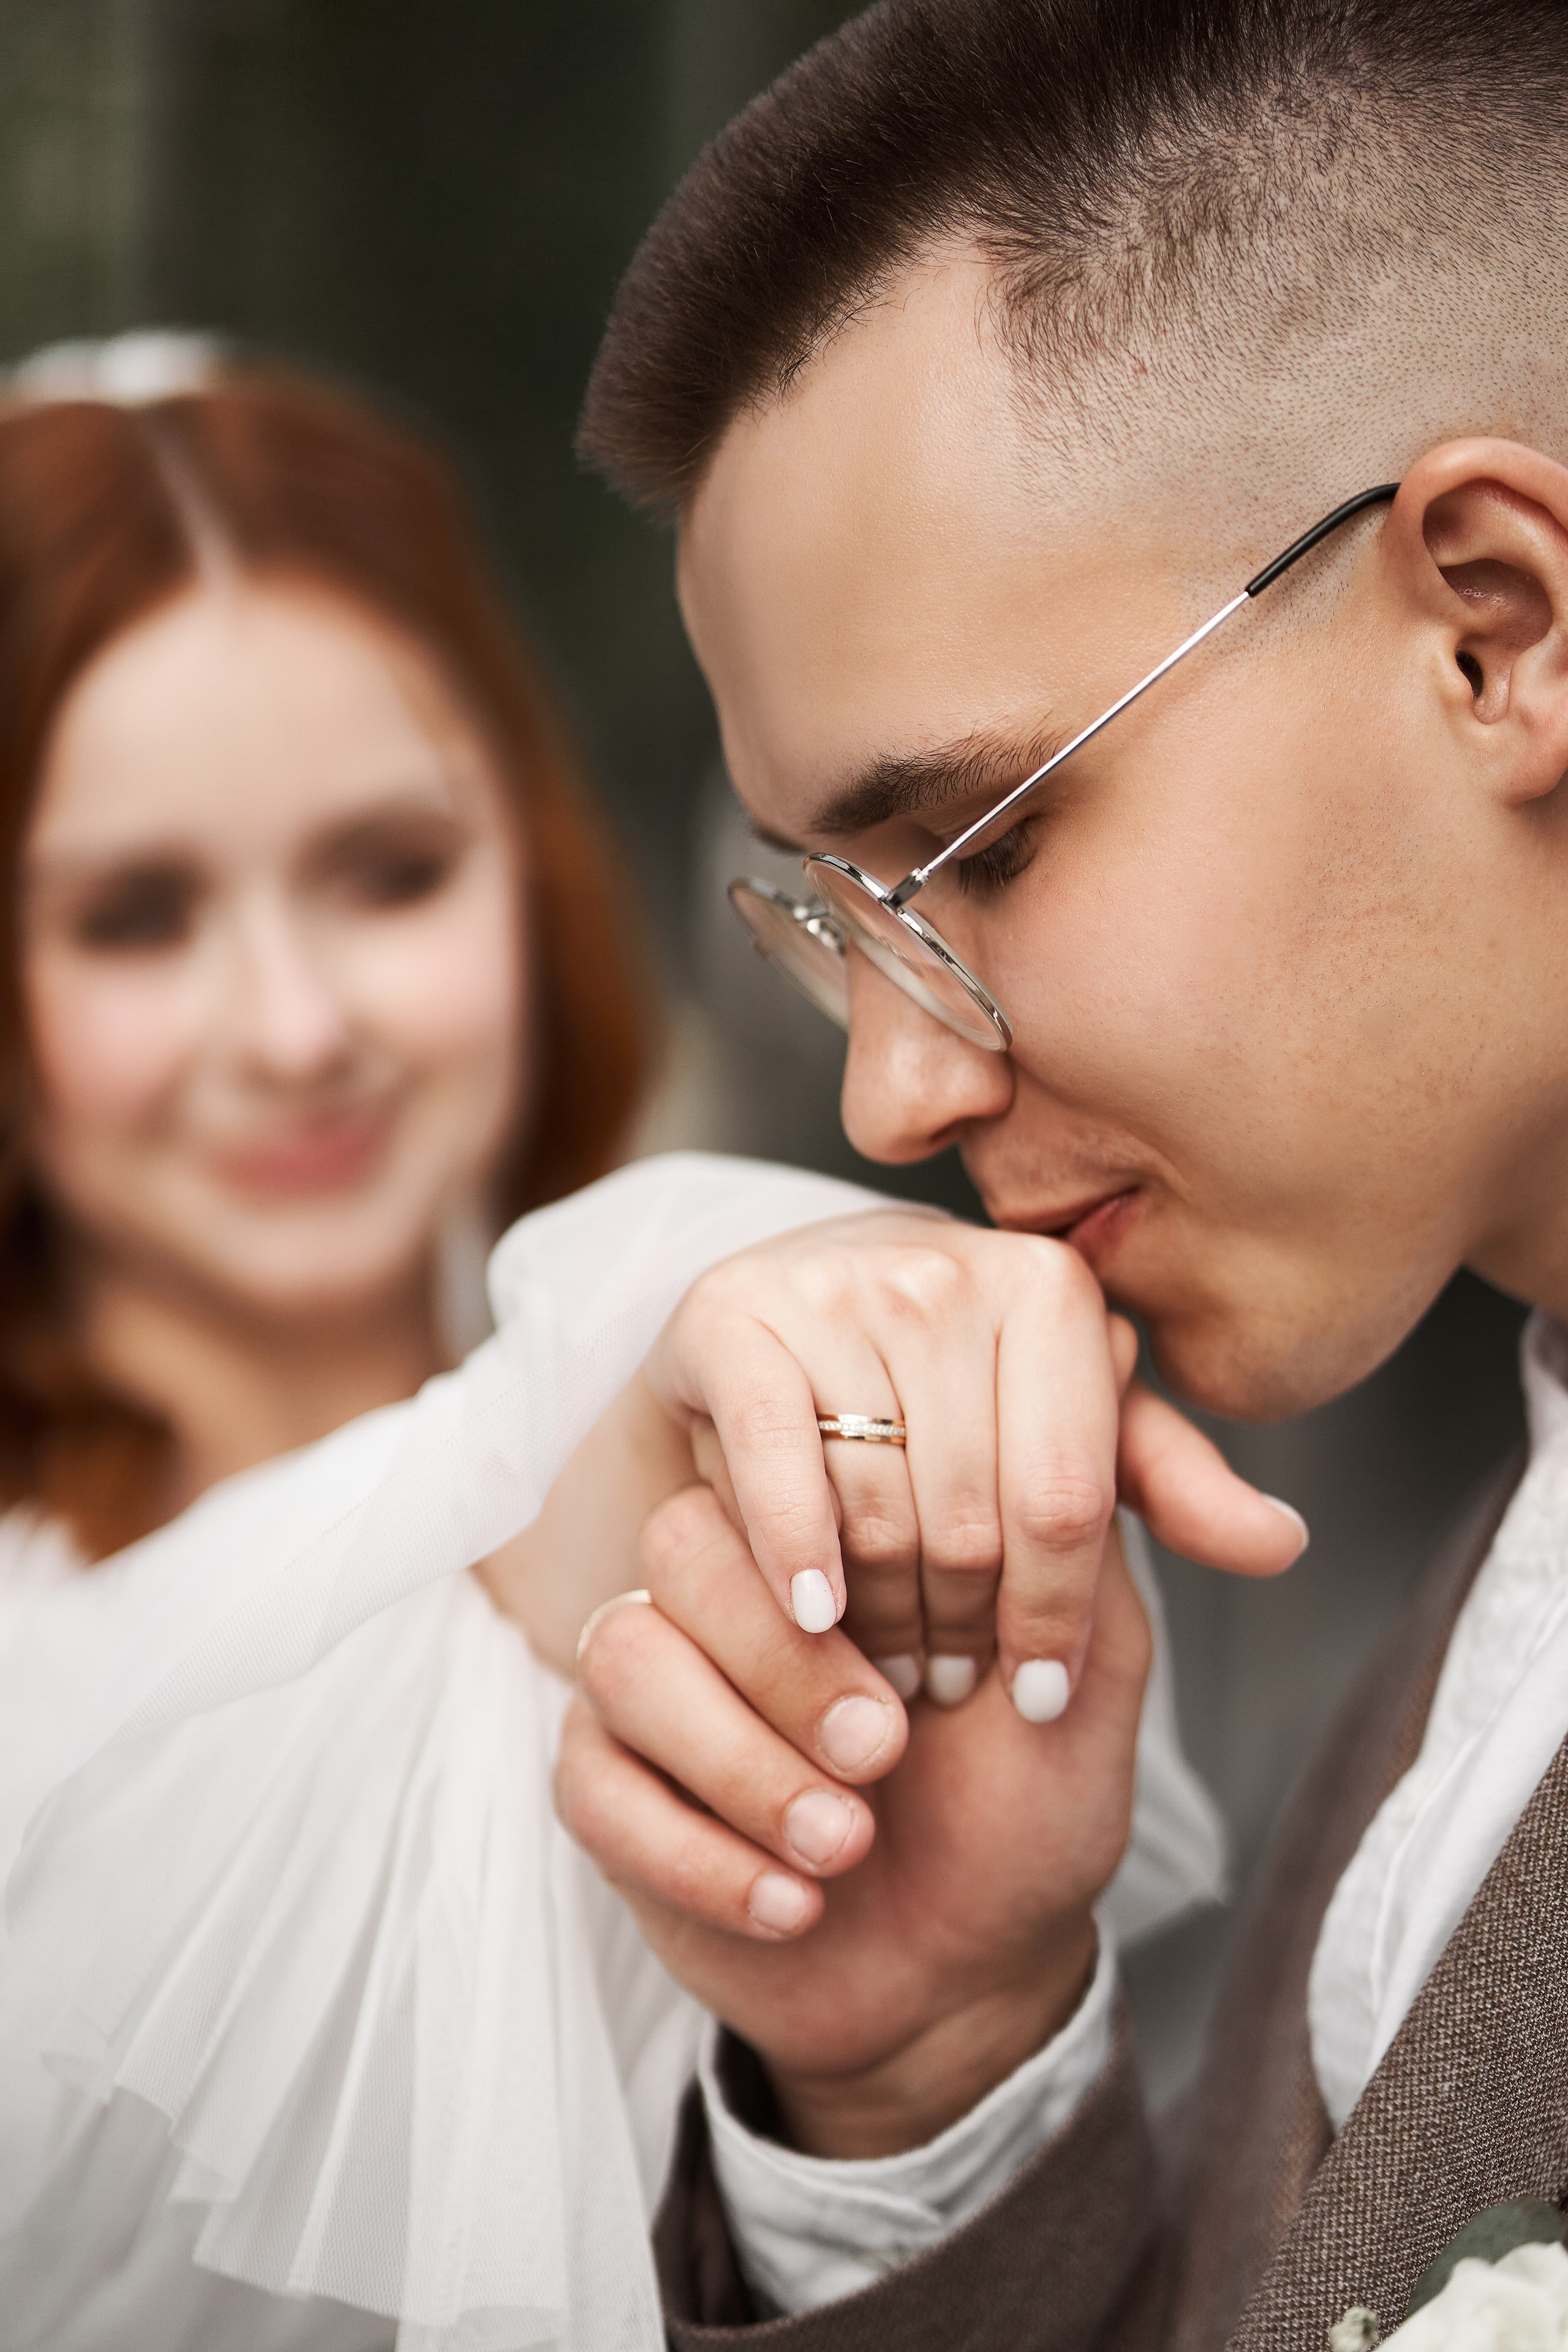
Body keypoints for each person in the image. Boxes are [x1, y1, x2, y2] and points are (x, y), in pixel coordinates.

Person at [0, 341, 1248, 2346]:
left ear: (525, 852)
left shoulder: (717, 1345)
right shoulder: (638, 1391)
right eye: (135, 917)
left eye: (390, 871)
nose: (299, 1026)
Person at [555, 0, 1568, 2343]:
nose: (888, 1099)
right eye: (834, 920)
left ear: (1494, 628)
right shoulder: (1441, 1680)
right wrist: (930, 2059)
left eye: (976, 854)